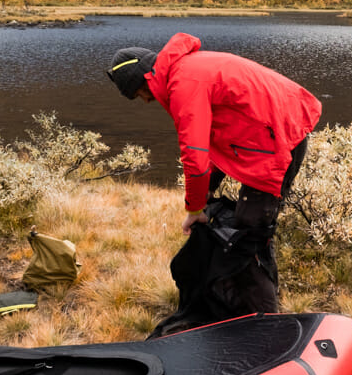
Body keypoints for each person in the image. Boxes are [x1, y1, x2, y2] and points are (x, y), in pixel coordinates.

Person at [108, 34, 320, 325]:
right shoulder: (183, 70)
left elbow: (195, 158)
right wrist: (204, 195)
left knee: (249, 233)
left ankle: (268, 325)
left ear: (144, 81)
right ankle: (243, 306)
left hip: (281, 137)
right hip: (276, 129)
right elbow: (211, 142)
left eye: (139, 94)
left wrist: (194, 209)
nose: (145, 101)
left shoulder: (184, 85)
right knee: (246, 228)